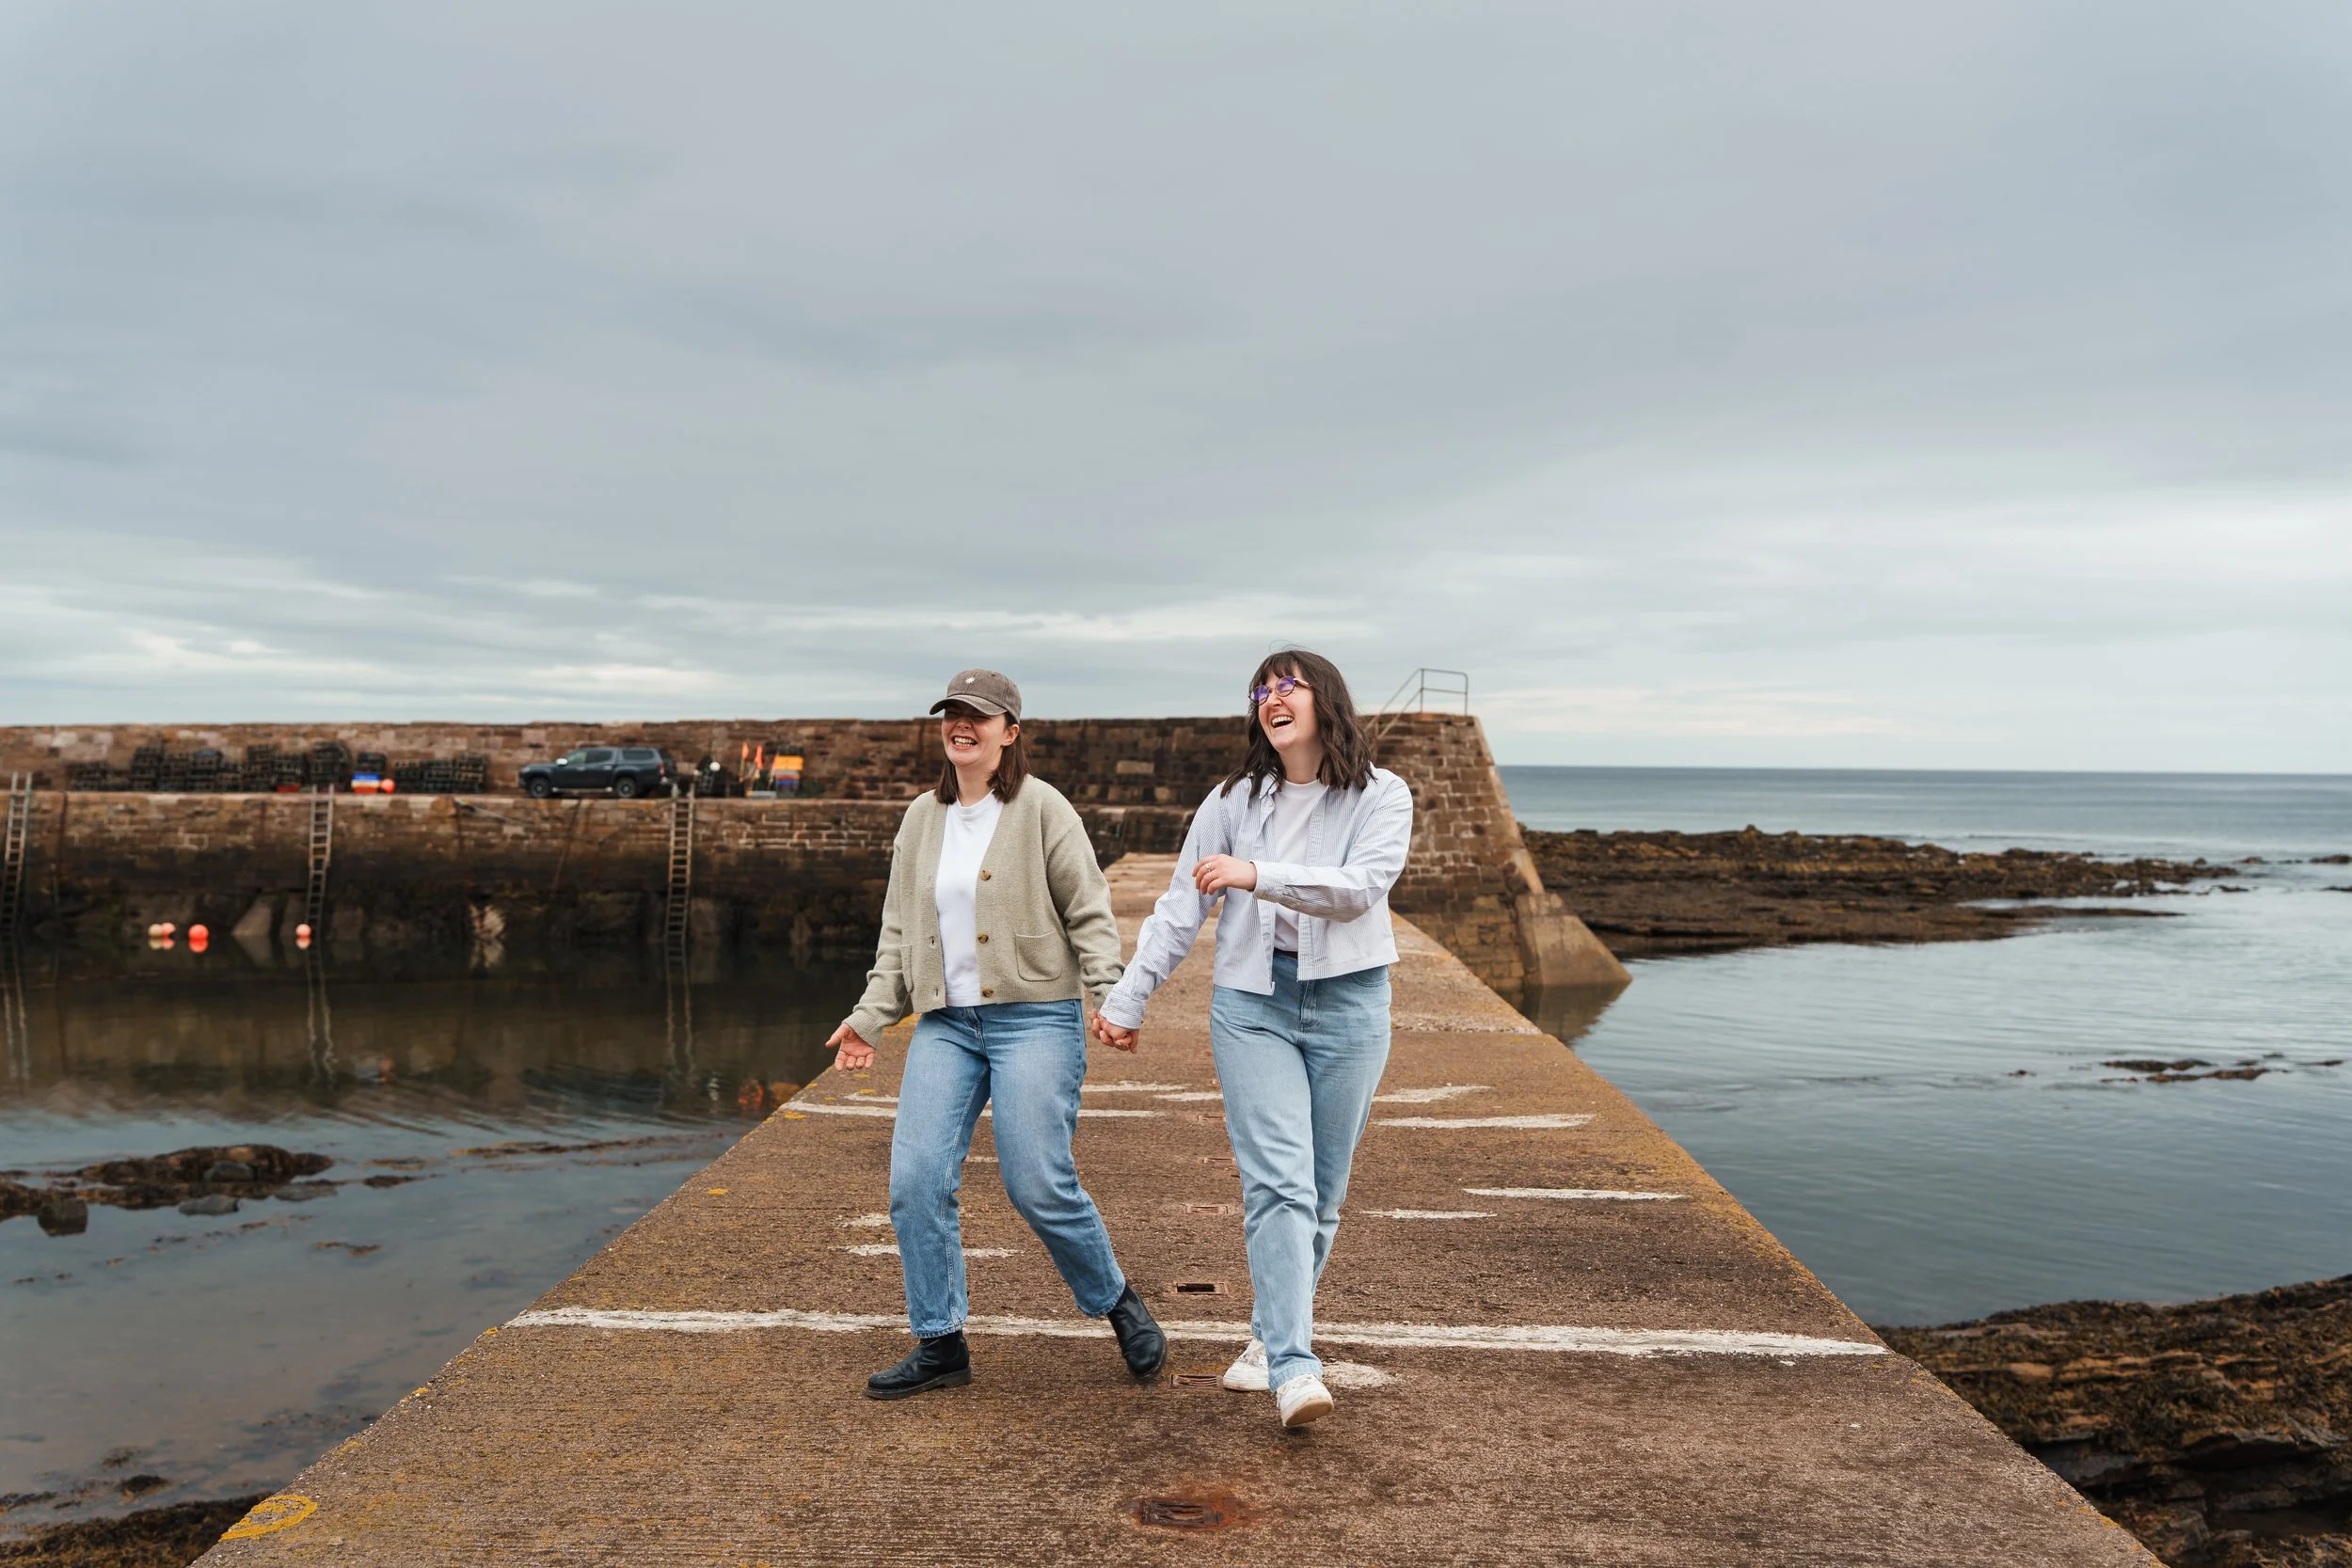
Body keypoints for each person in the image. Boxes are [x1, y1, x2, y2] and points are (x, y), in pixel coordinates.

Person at [1091, 649, 1411, 1429]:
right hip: (1253, 1003)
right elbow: (1178, 908)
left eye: (1287, 685)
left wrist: (1255, 874)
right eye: (1261, 689)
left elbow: (1362, 888)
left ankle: (1271, 1338)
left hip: (1351, 1003)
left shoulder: (1381, 794)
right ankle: (1297, 1369)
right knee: (1280, 1183)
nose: (1271, 697)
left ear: (1323, 700)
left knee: (1323, 1197)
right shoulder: (1232, 799)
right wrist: (1129, 997)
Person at [825, 668, 1167, 1400]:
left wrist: (1112, 995)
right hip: (946, 1023)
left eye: (978, 716)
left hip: (1035, 1016)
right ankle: (940, 1340)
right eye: (952, 713)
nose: (962, 725)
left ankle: (1116, 1300)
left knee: (1037, 1178)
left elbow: (1089, 911)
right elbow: (898, 933)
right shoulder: (922, 818)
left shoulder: (1043, 808)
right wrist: (868, 1016)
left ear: (1009, 731)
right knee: (915, 1180)